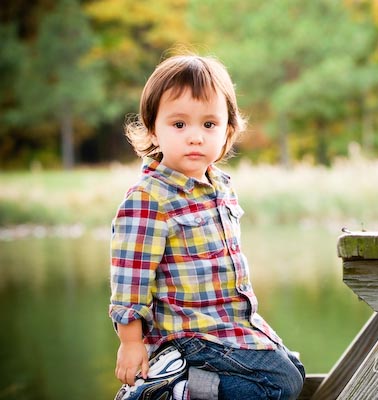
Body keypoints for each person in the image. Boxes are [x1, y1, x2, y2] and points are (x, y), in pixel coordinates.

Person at [109, 53, 305, 400]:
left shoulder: (221, 186)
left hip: (227, 327)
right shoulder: (150, 198)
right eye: (179, 124)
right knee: (281, 384)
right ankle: (174, 391)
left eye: (209, 125)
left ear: (229, 129)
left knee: (293, 371)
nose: (195, 137)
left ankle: (185, 385)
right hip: (188, 336)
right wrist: (130, 342)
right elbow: (130, 280)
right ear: (153, 128)